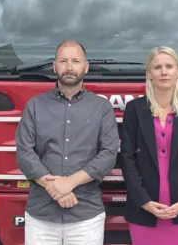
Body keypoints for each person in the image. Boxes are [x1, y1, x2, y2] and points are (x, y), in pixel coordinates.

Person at [15, 40, 120, 245]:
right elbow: (24, 152)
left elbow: (108, 154)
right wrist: (55, 188)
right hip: (40, 217)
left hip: (86, 217)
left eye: (75, 61)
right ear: (55, 66)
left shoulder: (102, 107)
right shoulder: (35, 106)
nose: (69, 67)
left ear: (86, 67)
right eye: (63, 61)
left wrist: (69, 182)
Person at [119, 46, 178, 245]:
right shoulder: (134, 109)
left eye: (169, 66)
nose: (164, 71)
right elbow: (127, 159)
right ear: (149, 74)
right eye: (157, 67)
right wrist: (143, 201)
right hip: (144, 208)